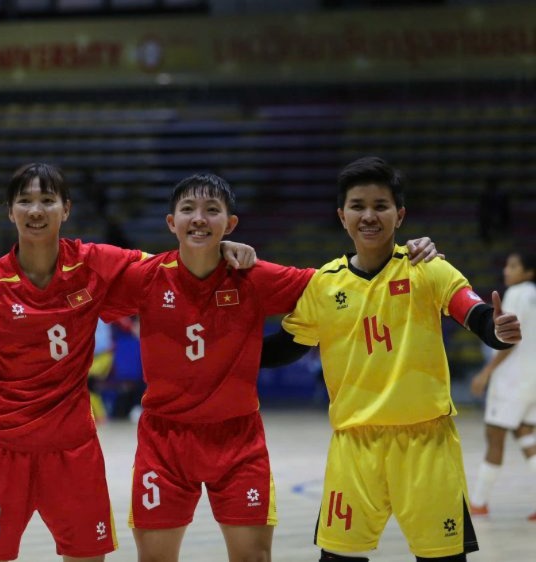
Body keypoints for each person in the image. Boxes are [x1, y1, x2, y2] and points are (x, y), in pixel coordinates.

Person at [0, 162, 256, 562]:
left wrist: (218, 249)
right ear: (10, 211)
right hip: (3, 451)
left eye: (47, 200)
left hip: (75, 452)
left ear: (65, 209)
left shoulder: (93, 262)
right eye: (25, 201)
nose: (36, 210)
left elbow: (171, 265)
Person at [102, 173, 439, 562]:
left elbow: (340, 284)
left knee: (254, 558)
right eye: (188, 209)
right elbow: (81, 284)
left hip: (237, 440)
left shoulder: (252, 276)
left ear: (230, 223)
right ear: (170, 221)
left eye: (212, 210)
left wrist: (404, 258)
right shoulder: (146, 277)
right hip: (164, 440)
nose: (199, 218)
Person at [264, 156, 521, 562]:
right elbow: (285, 346)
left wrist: (497, 331)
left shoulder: (428, 269)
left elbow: (474, 313)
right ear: (342, 216)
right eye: (358, 206)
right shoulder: (324, 285)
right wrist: (223, 353)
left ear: (399, 215)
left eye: (380, 206)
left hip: (427, 444)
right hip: (355, 446)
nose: (369, 215)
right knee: (338, 559)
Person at [469, 251, 536, 519]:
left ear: (528, 272)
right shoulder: (534, 294)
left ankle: (478, 502)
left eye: (514, 266)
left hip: (512, 379)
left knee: (494, 436)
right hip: (532, 378)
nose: (507, 270)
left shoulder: (517, 294)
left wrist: (486, 372)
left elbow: (509, 340)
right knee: (526, 434)